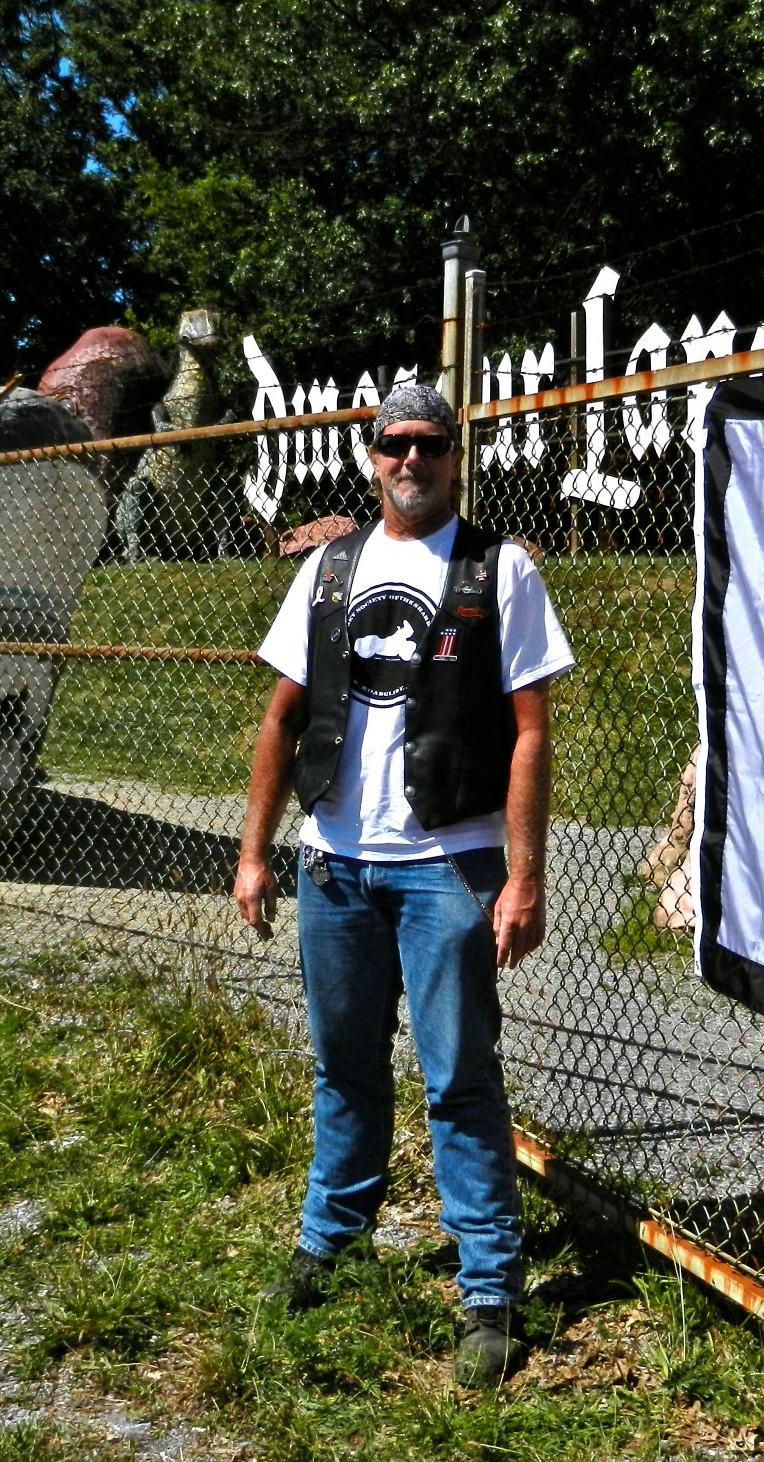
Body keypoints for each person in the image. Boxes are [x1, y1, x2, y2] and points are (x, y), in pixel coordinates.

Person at [235, 383, 575, 1388]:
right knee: (343, 1066)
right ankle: (330, 1241)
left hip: (447, 868)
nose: (411, 460)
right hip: (333, 862)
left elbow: (530, 733)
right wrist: (255, 852)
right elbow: (280, 717)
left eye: (430, 443)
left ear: (455, 455)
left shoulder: (499, 568)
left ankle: (489, 1289)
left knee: (459, 1078)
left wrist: (523, 877)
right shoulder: (330, 569)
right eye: (395, 444)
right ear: (371, 454)